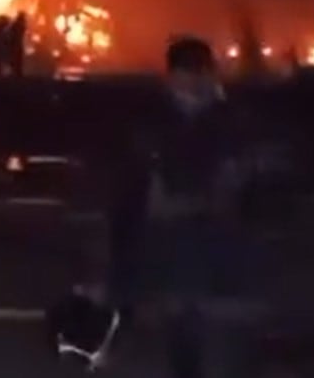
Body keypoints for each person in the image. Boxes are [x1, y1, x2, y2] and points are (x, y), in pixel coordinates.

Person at [95, 35, 264, 378]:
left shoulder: (222, 116)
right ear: (176, 75)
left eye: (203, 72)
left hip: (206, 229)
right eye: (193, 72)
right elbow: (134, 178)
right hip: (167, 230)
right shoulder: (155, 119)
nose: (201, 80)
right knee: (177, 310)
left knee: (204, 313)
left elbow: (238, 167)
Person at [8, 11, 28, 77]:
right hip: (16, 46)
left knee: (16, 63)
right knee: (17, 63)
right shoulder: (19, 25)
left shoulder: (15, 25)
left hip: (14, 46)